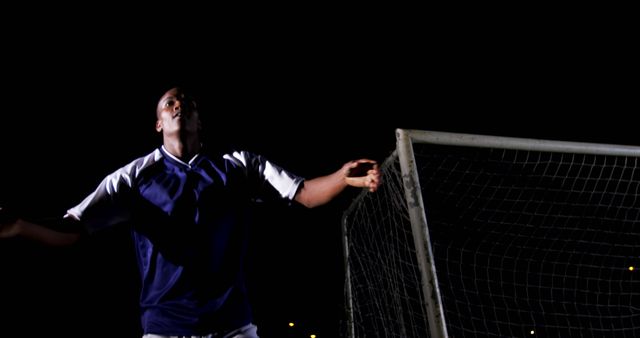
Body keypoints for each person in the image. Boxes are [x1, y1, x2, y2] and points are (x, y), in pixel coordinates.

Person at [0, 86, 381, 338]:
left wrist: (341, 178)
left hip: (233, 325)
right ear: (158, 123)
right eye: (169, 103)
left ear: (200, 121)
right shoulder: (132, 178)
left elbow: (304, 194)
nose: (178, 104)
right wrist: (18, 227)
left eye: (187, 102)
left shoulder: (239, 166)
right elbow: (74, 228)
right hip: (166, 326)